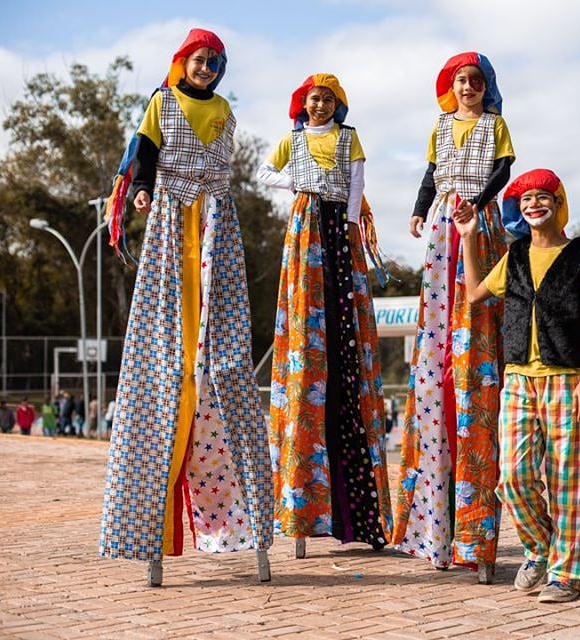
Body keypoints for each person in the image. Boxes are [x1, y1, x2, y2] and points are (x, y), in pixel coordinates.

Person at [99, 28, 273, 579]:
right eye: (200, 61)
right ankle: (148, 531)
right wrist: (145, 190)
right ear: (183, 62)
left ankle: (248, 526)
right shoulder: (162, 100)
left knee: (221, 357)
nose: (207, 69)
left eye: (214, 63)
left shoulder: (224, 110)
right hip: (174, 219)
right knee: (169, 357)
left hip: (216, 223)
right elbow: (144, 151)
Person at [456, 168, 580, 603]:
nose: (534, 204)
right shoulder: (516, 254)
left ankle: (568, 574)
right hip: (520, 380)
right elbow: (474, 294)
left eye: (543, 196)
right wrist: (468, 236)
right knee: (513, 476)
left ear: (559, 204)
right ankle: (540, 548)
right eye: (526, 199)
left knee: (570, 481)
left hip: (567, 379)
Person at [391, 51, 515, 577]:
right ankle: (430, 532)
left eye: (476, 81)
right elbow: (430, 175)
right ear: (451, 87)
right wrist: (422, 209)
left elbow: (505, 171)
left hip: (477, 222)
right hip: (444, 222)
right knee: (438, 313)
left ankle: (473, 340)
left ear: (487, 88)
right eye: (461, 80)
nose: (469, 87)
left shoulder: (495, 125)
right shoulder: (441, 127)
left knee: (476, 298)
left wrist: (476, 203)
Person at [257, 73, 391, 554]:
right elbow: (264, 173)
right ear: (303, 103)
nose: (320, 105)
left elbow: (356, 187)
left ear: (338, 104)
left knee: (345, 340)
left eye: (328, 98)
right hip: (305, 226)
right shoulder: (292, 141)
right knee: (308, 327)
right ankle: (303, 511)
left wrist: (352, 229)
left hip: (338, 230)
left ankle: (360, 516)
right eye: (314, 98)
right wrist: (296, 179)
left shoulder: (349, 139)